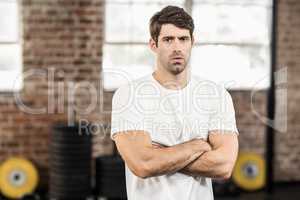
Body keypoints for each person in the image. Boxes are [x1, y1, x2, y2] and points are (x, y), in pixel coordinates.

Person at [110, 5, 239, 200]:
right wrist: (196, 146)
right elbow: (143, 165)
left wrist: (160, 155)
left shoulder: (216, 95)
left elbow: (223, 166)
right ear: (154, 44)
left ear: (192, 42)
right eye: (168, 39)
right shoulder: (129, 95)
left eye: (183, 39)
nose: (177, 47)